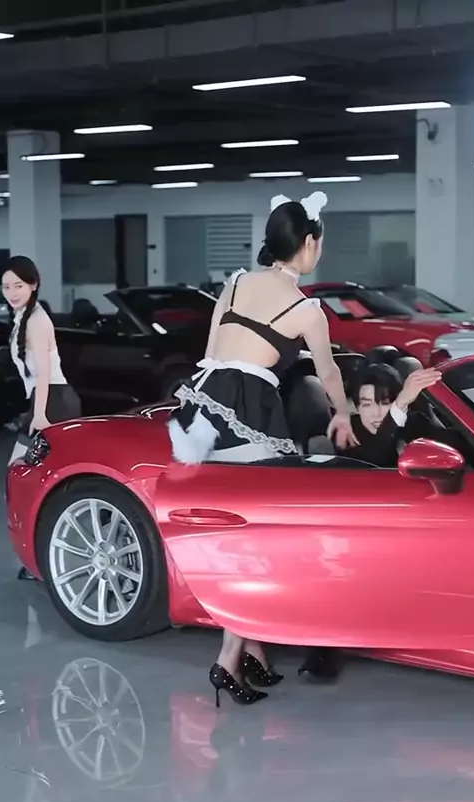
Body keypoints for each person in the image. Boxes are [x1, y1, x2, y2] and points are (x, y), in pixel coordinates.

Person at [168, 191, 357, 708]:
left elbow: (211, 353)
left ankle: (254, 654)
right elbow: (329, 372)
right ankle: (228, 661)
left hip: (203, 406)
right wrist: (342, 413)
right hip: (249, 410)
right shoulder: (305, 308)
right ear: (309, 243)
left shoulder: (234, 283)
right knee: (257, 547)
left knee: (235, 540)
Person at [298, 361, 445, 683]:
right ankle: (326, 649)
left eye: (385, 402)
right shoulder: (347, 433)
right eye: (366, 404)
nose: (376, 413)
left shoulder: (416, 424)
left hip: (425, 526)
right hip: (367, 532)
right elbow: (375, 461)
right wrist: (399, 406)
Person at [3, 256, 82, 462]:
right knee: (30, 469)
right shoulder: (24, 317)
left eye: (18, 286)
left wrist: (39, 414)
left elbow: (43, 371)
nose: (11, 293)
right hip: (50, 398)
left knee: (21, 466)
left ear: (33, 285)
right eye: (6, 287)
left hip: (53, 400)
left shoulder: (36, 320)